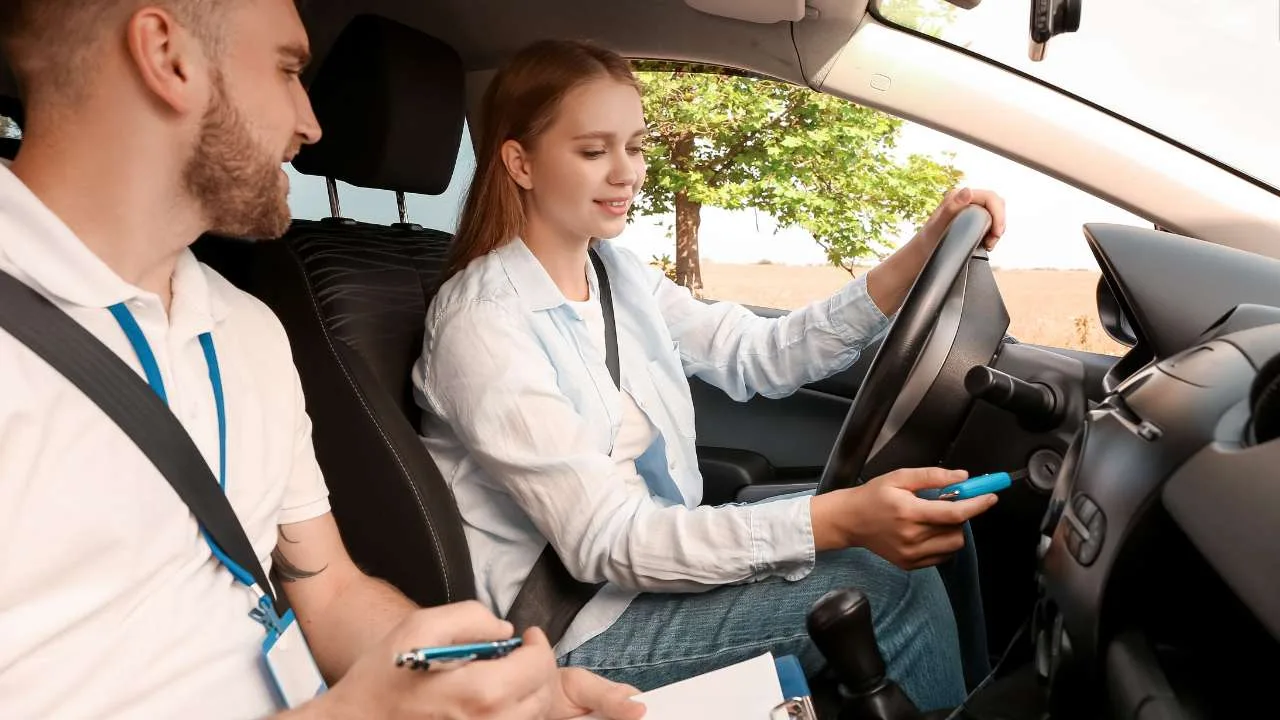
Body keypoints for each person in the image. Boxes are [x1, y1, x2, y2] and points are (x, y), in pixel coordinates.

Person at [0, 3, 645, 719]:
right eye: (287, 69)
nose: (311, 124)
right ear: (167, 55)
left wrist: (496, 682)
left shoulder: (246, 328)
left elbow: (329, 587)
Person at [414, 39, 1009, 711]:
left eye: (635, 147)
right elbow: (608, 542)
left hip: (655, 568)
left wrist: (924, 248)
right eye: (593, 151)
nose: (626, 173)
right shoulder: (482, 324)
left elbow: (764, 354)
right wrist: (836, 521)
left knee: (937, 535)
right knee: (892, 587)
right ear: (521, 163)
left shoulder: (617, 273)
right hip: (577, 629)